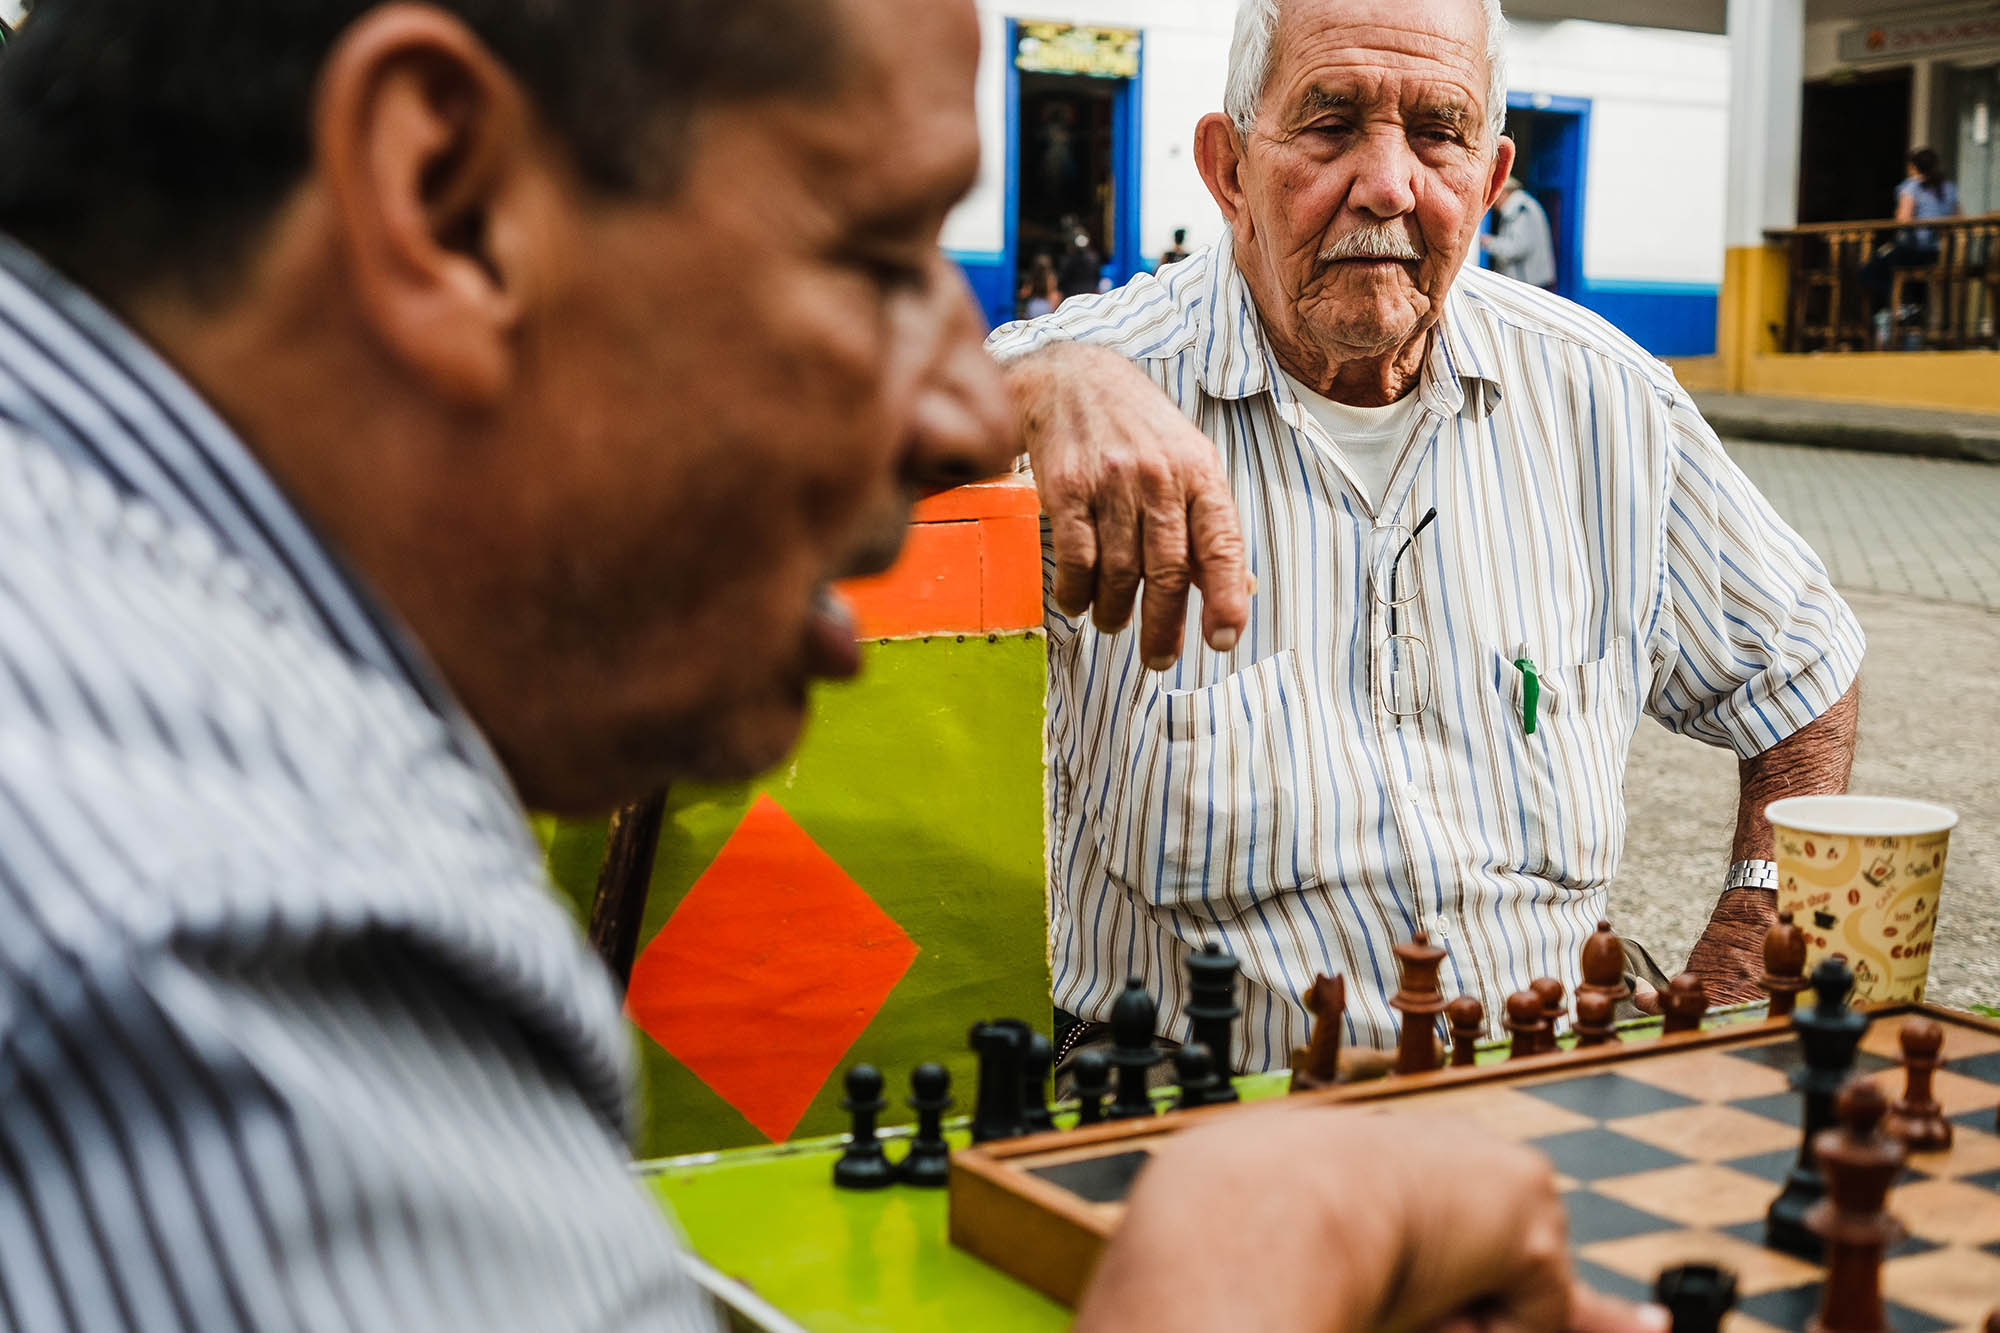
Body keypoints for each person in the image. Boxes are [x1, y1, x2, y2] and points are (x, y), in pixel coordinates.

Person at [0, 2, 1657, 1331]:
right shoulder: (215, 952)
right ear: (449, 201)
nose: (958, 409)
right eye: (875, 257)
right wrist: (1233, 1262)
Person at [995, 0, 1864, 1073]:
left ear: (1490, 181)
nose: (1389, 184)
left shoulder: (1607, 402)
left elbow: (1801, 670)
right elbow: (806, 460)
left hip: (1535, 1091)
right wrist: (1027, 387)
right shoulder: (1086, 396)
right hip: (1206, 1112)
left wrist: (1748, 940)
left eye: (1437, 133)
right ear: (1226, 170)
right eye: (1329, 123)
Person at [1862, 146, 1960, 332]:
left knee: (1871, 270)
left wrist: (1899, 212)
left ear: (1913, 167)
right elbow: (1959, 217)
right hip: (1942, 253)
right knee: (1896, 266)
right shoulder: (1948, 187)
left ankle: (1902, 306)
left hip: (1917, 251)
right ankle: (1912, 306)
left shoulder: (1912, 187)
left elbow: (1903, 220)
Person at [1480, 174, 1556, 289]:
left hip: (1531, 285)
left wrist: (1489, 242)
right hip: (1529, 283)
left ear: (1503, 192)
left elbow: (1516, 248)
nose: (1492, 201)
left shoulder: (1520, 210)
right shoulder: (1518, 208)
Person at [1021, 250, 1063, 318]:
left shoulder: (1032, 277)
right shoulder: (1051, 277)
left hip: (1034, 304)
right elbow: (1053, 293)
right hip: (1046, 304)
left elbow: (1024, 293)